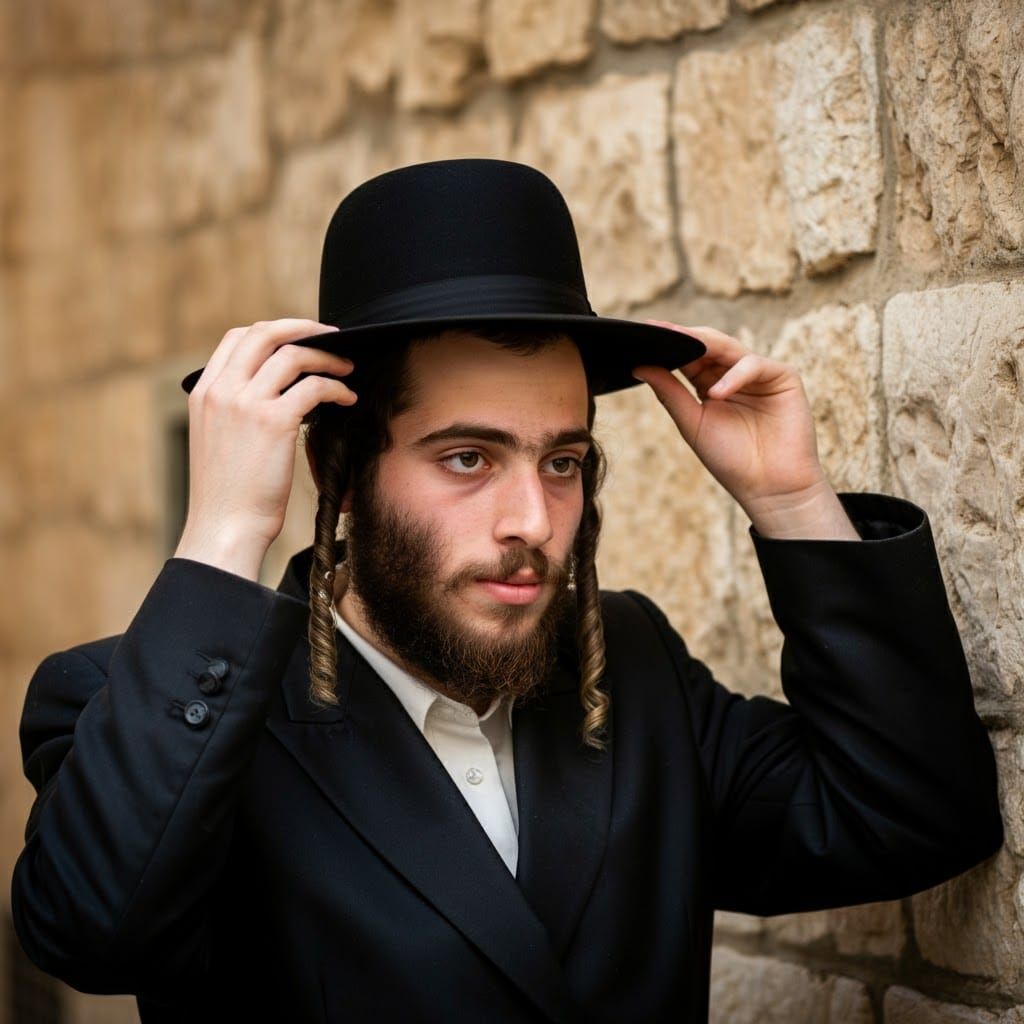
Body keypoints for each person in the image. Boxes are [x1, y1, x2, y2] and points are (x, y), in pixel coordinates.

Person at [12, 159, 1002, 1023]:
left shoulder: (630, 671)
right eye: (467, 457)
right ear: (339, 471)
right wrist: (223, 530)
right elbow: (90, 930)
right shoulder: (131, 708)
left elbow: (907, 815)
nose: (531, 516)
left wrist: (788, 499)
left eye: (561, 459)